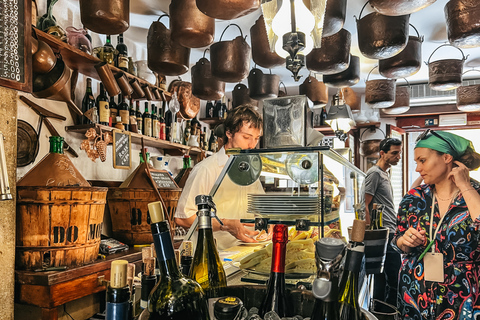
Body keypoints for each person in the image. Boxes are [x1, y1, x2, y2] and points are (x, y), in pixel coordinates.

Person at [392, 129, 480, 319]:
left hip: (462, 298)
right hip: (415, 295)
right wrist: (404, 242)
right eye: (416, 162)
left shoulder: (475, 195)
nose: (417, 168)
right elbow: (397, 239)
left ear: (447, 157)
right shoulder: (414, 197)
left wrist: (465, 186)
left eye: (422, 161)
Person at [175, 105, 264, 250]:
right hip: (210, 254)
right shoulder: (206, 169)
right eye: (246, 137)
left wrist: (271, 221)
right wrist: (225, 225)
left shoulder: (249, 170)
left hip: (240, 252)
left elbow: (261, 208)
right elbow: (183, 218)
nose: (252, 145)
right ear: (229, 133)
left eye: (256, 138)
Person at [360, 137, 402, 309]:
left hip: (390, 231)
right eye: (394, 153)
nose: (398, 156)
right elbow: (364, 205)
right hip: (383, 234)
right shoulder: (374, 173)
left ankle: (384, 312)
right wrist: (371, 235)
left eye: (399, 153)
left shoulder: (385, 173)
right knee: (391, 279)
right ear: (382, 153)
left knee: (388, 278)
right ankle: (386, 313)